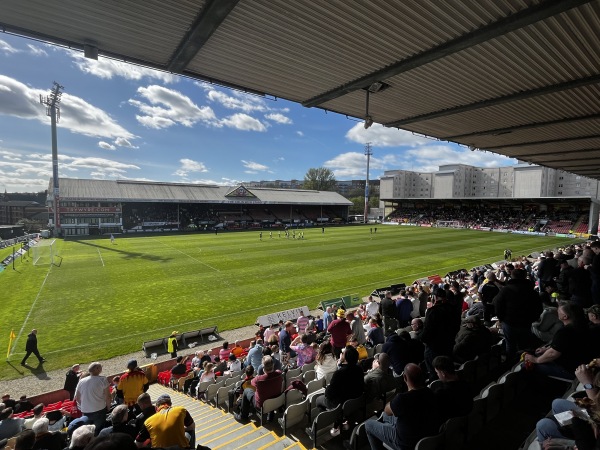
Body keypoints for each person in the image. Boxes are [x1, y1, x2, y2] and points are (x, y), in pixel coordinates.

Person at [364, 363, 441, 450]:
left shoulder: (402, 399)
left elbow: (386, 409)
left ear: (404, 378)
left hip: (405, 443)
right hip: (426, 438)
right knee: (385, 416)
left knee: (368, 424)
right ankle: (388, 431)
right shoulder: (430, 392)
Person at [523, 302, 591, 380]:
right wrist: (547, 349)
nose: (557, 311)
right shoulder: (584, 324)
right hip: (585, 363)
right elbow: (563, 344)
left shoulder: (565, 332)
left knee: (526, 366)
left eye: (559, 311)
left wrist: (536, 360)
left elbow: (553, 354)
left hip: (573, 370)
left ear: (565, 316)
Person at [493, 268, 542, 359]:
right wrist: (532, 318)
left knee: (510, 345)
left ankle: (511, 364)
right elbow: (539, 307)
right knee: (524, 345)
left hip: (509, 323)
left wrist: (501, 318)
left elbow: (497, 304)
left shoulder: (506, 290)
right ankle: (523, 364)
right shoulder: (531, 290)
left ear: (512, 276)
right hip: (525, 323)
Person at [234, 356, 283, 423]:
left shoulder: (258, 379)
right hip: (276, 400)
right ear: (273, 365)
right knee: (270, 390)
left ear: (263, 367)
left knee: (246, 391)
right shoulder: (279, 373)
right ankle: (270, 415)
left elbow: (252, 382)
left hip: (261, 405)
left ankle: (243, 416)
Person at [431, 356, 473, 422]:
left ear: (443, 373)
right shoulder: (466, 384)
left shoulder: (441, 394)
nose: (438, 375)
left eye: (437, 373)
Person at [74, 362, 111, 435]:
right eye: (100, 367)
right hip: (99, 410)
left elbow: (77, 397)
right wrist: (108, 407)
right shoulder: (103, 379)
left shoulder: (81, 381)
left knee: (88, 431)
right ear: (97, 369)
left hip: (85, 411)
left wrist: (84, 407)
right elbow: (108, 397)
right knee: (99, 430)